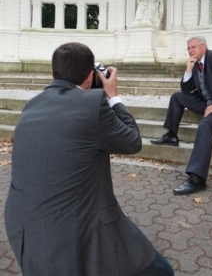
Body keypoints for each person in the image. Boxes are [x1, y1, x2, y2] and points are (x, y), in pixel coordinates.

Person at [4, 42, 174, 276]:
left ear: (52, 73)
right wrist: (113, 96)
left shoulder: (32, 105)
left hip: (24, 227)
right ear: (89, 77)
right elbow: (132, 141)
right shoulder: (92, 103)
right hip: (71, 228)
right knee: (162, 271)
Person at [151, 35, 212, 195]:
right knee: (177, 97)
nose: (190, 51)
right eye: (188, 48)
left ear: (203, 46)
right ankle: (172, 136)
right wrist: (188, 70)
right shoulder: (195, 64)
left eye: (193, 47)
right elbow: (186, 90)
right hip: (207, 103)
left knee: (204, 126)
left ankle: (197, 179)